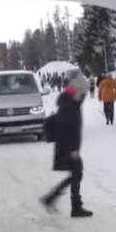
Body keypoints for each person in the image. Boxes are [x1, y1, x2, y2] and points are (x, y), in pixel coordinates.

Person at [40, 75, 94, 218]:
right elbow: (65, 129)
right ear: (76, 90)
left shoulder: (71, 103)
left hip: (68, 146)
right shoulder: (69, 106)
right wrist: (71, 150)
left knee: (76, 172)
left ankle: (54, 199)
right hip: (66, 147)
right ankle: (71, 205)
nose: (84, 94)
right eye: (83, 91)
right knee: (76, 172)